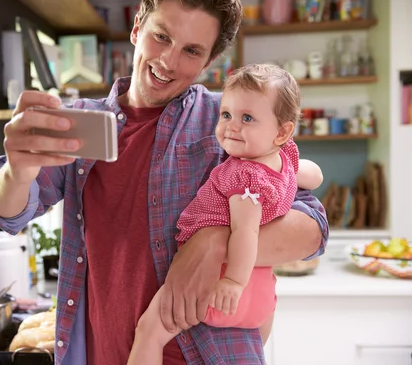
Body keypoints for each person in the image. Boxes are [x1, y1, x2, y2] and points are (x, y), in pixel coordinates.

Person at [0, 0, 329, 364]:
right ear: (137, 27)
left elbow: (312, 229)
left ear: (209, 61)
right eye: (161, 36)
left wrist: (212, 242)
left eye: (192, 51)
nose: (168, 60)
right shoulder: (80, 124)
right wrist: (17, 171)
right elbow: (5, 211)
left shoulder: (231, 122)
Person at [127, 64, 323, 365]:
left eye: (247, 118)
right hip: (261, 297)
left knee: (149, 331)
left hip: (212, 285)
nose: (232, 126)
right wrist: (295, 175)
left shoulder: (243, 176)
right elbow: (314, 176)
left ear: (282, 131)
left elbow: (246, 232)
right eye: (226, 115)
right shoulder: (284, 159)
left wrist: (232, 281)